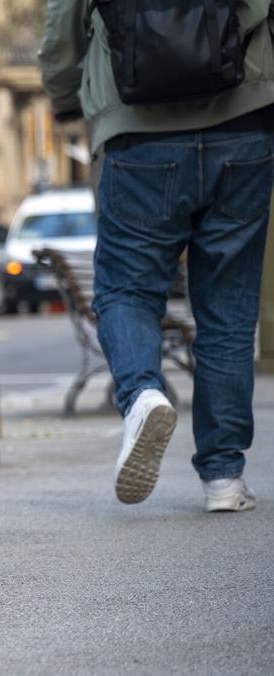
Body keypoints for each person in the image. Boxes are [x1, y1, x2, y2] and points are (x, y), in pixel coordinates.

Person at [41, 0, 274, 512]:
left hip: (137, 130)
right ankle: (224, 477)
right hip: (243, 126)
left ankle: (142, 393)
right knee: (228, 310)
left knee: (126, 290)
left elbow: (63, 28)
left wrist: (64, 96)